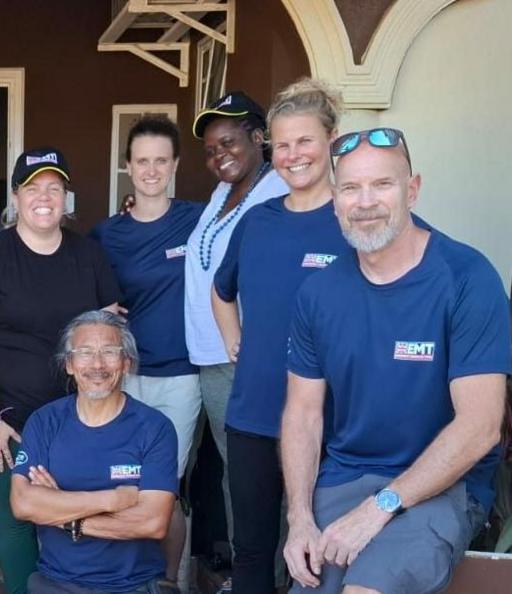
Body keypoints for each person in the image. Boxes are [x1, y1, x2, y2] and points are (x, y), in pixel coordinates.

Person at [282, 128, 509, 594]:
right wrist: (300, 517)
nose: (365, 201)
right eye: (350, 187)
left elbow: (482, 426)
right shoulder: (318, 293)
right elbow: (303, 413)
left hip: (444, 487)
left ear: (413, 189)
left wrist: (380, 506)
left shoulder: (467, 278)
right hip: (344, 478)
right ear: (335, 200)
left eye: (382, 184)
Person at [0, 147, 121, 594]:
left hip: (72, 415)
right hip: (2, 414)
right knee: (18, 513)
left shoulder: (89, 256)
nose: (44, 197)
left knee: (67, 508)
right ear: (16, 195)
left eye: (55, 187)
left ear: (66, 197)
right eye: (34, 188)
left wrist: (101, 414)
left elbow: (107, 338)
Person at [211, 79, 351, 593]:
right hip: (253, 416)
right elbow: (220, 289)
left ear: (332, 141)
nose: (293, 156)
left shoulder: (354, 219)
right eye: (283, 144)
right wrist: (235, 339)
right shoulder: (258, 222)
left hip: (332, 423)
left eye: (305, 141)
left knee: (321, 556)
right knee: (251, 552)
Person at [90, 115, 203, 590]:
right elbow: (87, 292)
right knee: (122, 485)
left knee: (163, 490)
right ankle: (123, 578)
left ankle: (168, 582)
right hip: (126, 377)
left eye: (161, 161)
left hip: (181, 378)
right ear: (128, 167)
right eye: (142, 161)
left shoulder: (198, 219)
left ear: (175, 164)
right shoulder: (106, 234)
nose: (151, 170)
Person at [185, 92, 289, 566]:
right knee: (234, 471)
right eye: (210, 149)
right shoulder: (220, 195)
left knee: (266, 471)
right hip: (210, 358)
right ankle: (247, 571)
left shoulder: (277, 192)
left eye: (229, 142)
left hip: (244, 359)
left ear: (258, 138)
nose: (218, 155)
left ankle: (280, 572)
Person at [10, 310, 179, 594]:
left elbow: (152, 522)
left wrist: (61, 511)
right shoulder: (44, 421)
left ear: (126, 363)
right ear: (69, 364)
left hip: (134, 586)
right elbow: (23, 504)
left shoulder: (155, 427)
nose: (97, 364)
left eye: (109, 352)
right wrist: (113, 499)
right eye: (85, 352)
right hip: (56, 584)